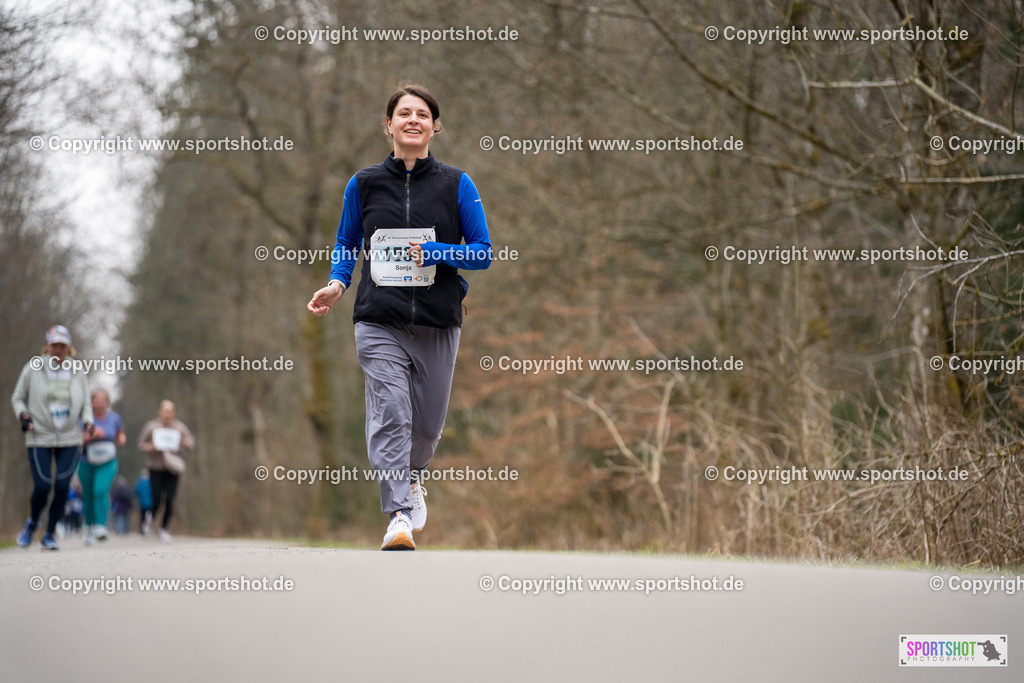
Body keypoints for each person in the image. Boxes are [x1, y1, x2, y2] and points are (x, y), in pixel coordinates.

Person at [308, 83, 492, 550]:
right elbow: (347, 241)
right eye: (404, 113)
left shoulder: (457, 184)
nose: (413, 120)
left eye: (422, 114)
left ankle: (413, 478)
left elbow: (482, 253)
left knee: (426, 426)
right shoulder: (364, 183)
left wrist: (438, 251)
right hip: (378, 319)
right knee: (391, 413)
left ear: (435, 126)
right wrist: (337, 283)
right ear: (388, 124)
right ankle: (398, 516)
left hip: (437, 321)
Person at [11, 325, 94, 550]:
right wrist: (23, 415)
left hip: (70, 436)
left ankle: (49, 534)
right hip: (40, 435)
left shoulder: (77, 370)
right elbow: (18, 397)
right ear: (47, 346)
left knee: (62, 486)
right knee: (42, 485)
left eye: (62, 346)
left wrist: (88, 421)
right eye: (54, 345)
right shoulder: (33, 368)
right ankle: (32, 523)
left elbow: (86, 402)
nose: (58, 350)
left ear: (69, 348)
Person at [137, 400, 194, 542]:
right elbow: (141, 444)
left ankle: (164, 529)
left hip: (173, 468)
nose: (167, 414)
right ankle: (150, 518)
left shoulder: (180, 428)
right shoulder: (152, 427)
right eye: (165, 411)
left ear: (174, 413)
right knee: (156, 499)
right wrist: (150, 447)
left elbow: (191, 443)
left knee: (170, 499)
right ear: (160, 412)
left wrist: (185, 443)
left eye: (170, 411)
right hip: (155, 467)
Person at [78, 388, 126, 544]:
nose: (100, 403)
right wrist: (91, 435)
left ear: (107, 402)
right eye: (96, 399)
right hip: (86, 461)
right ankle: (88, 526)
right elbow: (77, 438)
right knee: (88, 494)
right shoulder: (85, 418)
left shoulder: (114, 418)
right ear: (91, 402)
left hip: (107, 462)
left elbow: (120, 433)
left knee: (100, 490)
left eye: (103, 400)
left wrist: (121, 438)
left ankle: (100, 526)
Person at [135, 470, 154, 535]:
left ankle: (143, 529)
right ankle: (149, 528)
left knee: (142, 516)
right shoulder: (151, 483)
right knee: (150, 516)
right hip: (150, 502)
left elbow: (137, 492)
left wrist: (139, 498)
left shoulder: (139, 483)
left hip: (142, 503)